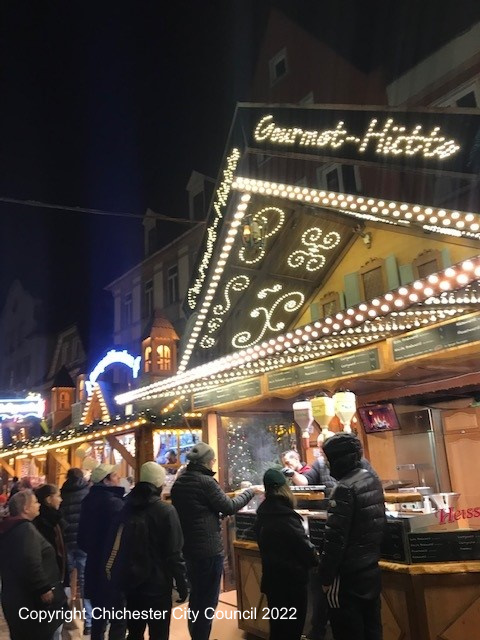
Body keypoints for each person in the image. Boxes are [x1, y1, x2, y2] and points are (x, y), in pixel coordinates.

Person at [171, 442, 262, 640]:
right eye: (212, 460)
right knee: (208, 601)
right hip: (208, 550)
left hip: (188, 548)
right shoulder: (206, 482)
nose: (213, 463)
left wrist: (213, 515)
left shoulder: (180, 481)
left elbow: (196, 512)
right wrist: (250, 491)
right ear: (207, 461)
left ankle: (197, 636)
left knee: (196, 597)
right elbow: (229, 506)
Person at [106, 462, 188, 640]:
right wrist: (182, 583)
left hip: (131, 584)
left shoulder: (125, 508)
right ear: (159, 484)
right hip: (158, 587)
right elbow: (175, 554)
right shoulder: (166, 511)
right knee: (159, 634)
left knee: (134, 632)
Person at [319, 433, 385, 640]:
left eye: (329, 460)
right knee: (372, 629)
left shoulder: (344, 488)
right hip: (370, 570)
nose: (328, 467)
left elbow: (335, 540)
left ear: (338, 460)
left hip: (347, 577)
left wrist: (325, 577)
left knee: (347, 631)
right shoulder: (372, 479)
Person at [255, 468, 319, 640]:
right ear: (285, 488)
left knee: (277, 628)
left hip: (271, 581)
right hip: (292, 584)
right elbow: (304, 547)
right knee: (293, 630)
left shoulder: (262, 513)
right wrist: (316, 559)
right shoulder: (287, 516)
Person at [0, 490, 66, 640]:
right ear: (25, 508)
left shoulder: (11, 528)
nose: (38, 505)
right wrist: (43, 588)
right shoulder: (25, 530)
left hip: (15, 597)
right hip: (30, 601)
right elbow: (30, 561)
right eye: (35, 502)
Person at [77, 464, 125, 640]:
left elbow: (81, 540)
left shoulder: (87, 501)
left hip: (93, 565)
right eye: (115, 476)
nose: (119, 478)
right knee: (118, 618)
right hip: (112, 568)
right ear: (106, 480)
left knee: (99, 617)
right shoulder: (115, 504)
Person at [60, 467, 93, 635]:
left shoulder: (63, 493)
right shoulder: (87, 493)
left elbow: (61, 519)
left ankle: (66, 617)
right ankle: (89, 621)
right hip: (83, 542)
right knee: (84, 580)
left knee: (66, 579)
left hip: (68, 542)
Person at [34, 484, 68, 640]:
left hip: (55, 576)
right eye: (58, 495)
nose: (60, 499)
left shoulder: (55, 519)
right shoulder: (43, 524)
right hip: (49, 580)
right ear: (48, 499)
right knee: (51, 624)